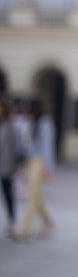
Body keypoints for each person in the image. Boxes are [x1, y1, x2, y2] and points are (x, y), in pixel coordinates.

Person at [19, 100, 55, 241]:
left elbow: (47, 146)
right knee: (35, 194)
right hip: (29, 160)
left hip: (39, 161)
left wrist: (48, 168)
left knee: (31, 196)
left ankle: (26, 229)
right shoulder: (31, 122)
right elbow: (26, 142)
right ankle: (48, 222)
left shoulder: (45, 123)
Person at [0, 98, 19, 239]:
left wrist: (14, 165)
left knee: (8, 193)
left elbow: (15, 147)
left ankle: (12, 221)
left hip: (5, 165)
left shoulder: (10, 126)